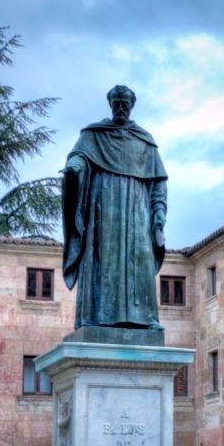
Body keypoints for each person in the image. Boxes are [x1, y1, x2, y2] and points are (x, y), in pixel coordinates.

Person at [61, 85, 167, 331]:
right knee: (103, 260)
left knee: (139, 259)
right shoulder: (94, 135)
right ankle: (97, 318)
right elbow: (78, 156)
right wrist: (75, 166)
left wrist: (159, 214)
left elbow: (159, 183)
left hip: (138, 213)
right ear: (110, 105)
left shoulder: (145, 141)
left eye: (125, 104)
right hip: (104, 210)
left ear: (132, 106)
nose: (121, 108)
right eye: (117, 103)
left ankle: (145, 318)